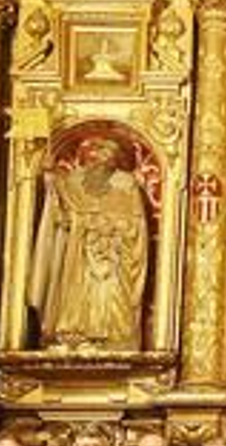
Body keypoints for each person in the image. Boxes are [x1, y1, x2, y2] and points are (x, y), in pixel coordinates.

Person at [28, 136, 149, 351]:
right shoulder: (74, 180)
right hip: (78, 252)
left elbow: (136, 223)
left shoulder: (126, 183)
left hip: (113, 254)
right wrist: (49, 178)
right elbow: (60, 211)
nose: (100, 159)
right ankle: (72, 336)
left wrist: (112, 228)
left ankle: (113, 341)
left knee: (113, 296)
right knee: (75, 293)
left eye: (107, 155)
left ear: (116, 160)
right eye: (97, 154)